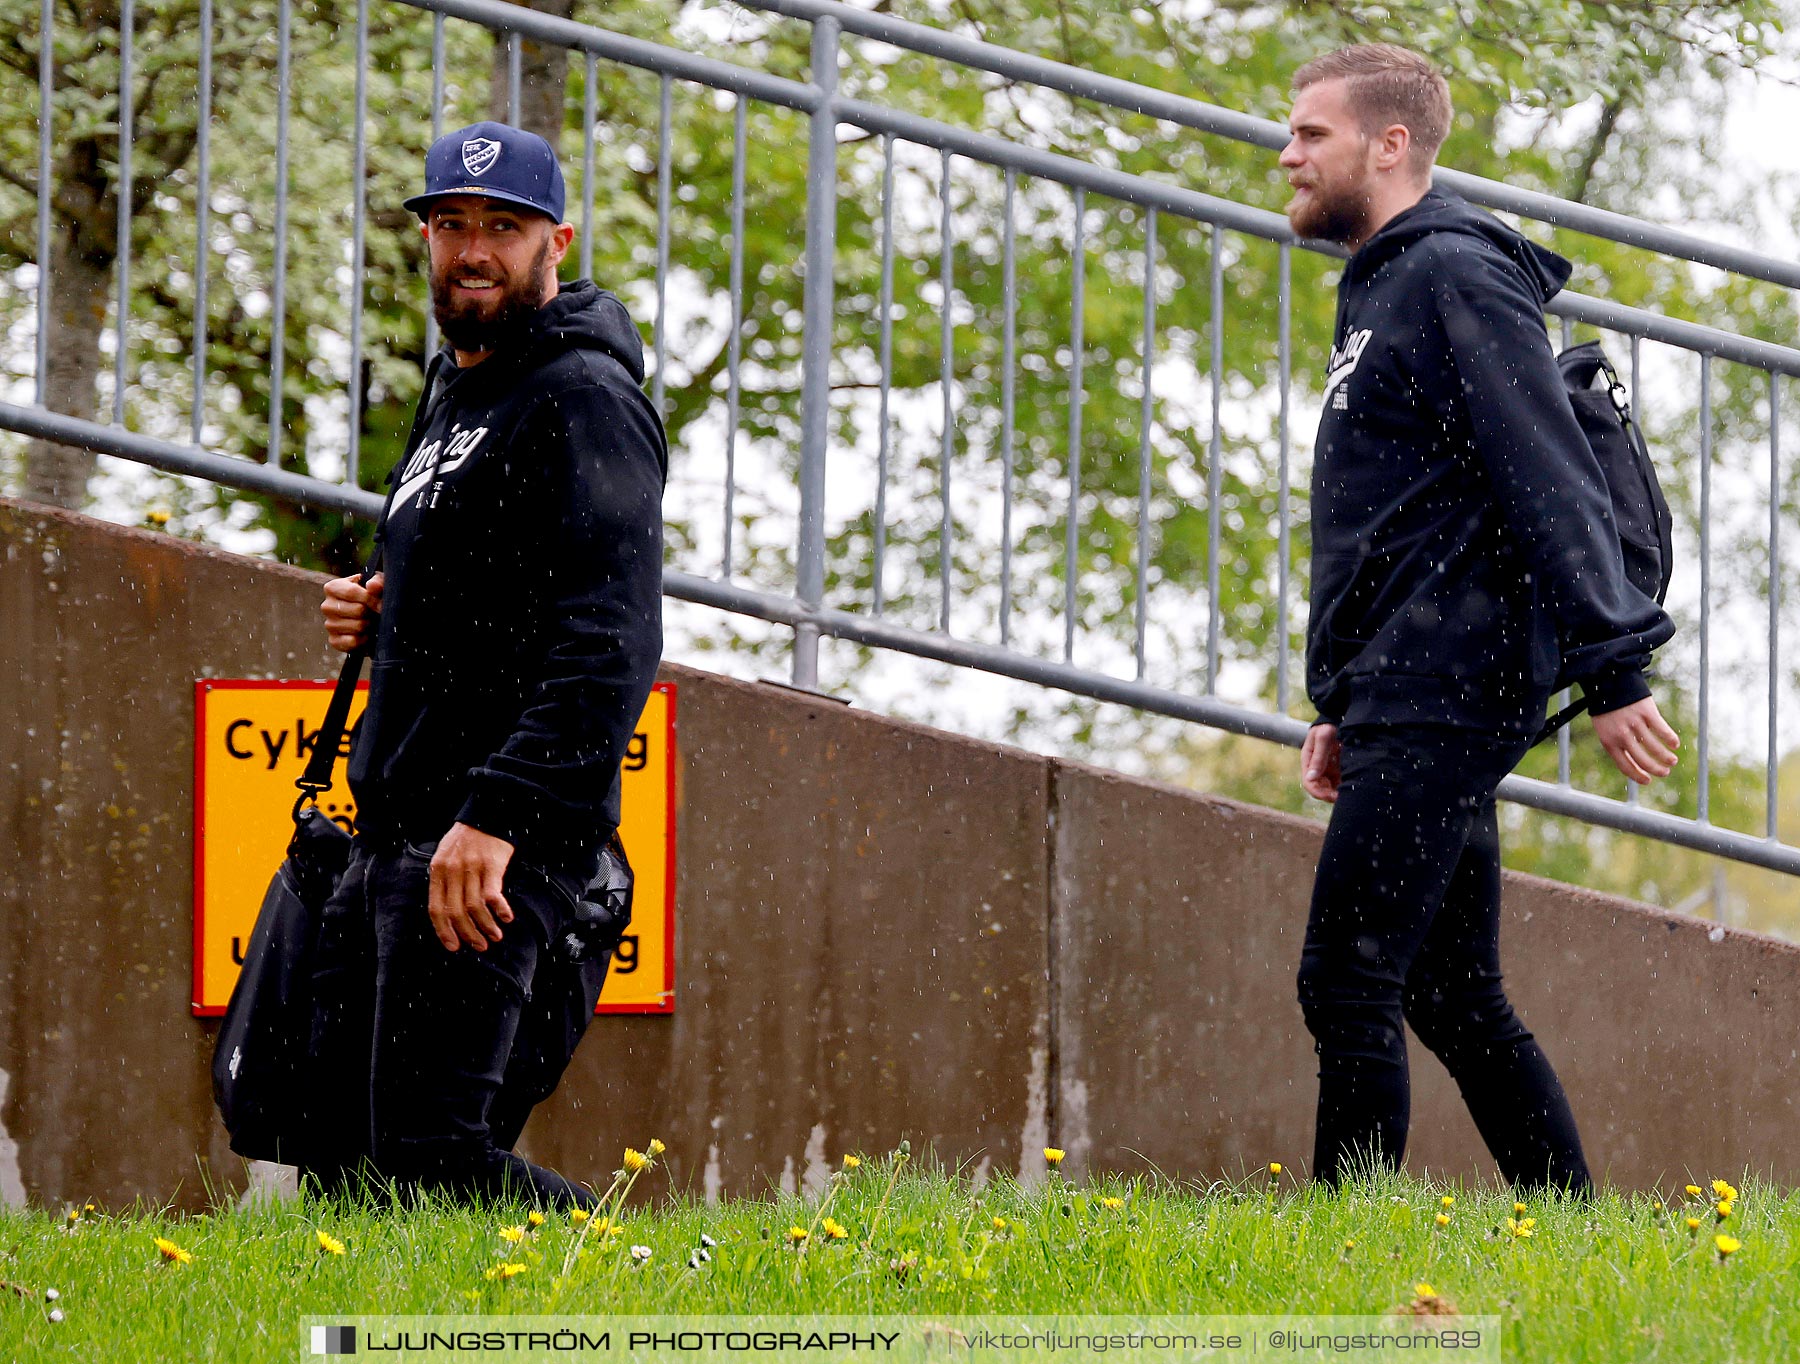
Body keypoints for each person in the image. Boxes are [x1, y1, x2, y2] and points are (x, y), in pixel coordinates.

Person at [1280, 46, 1679, 1193]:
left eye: (1312, 133)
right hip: (1406, 685)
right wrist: (1342, 703)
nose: (1288, 152)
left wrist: (1614, 667)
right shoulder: (1384, 286)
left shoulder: (1454, 272)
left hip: (1449, 678)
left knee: (1345, 977)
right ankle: (1582, 1228)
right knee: (1451, 989)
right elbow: (1395, 523)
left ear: (1388, 144)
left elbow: (1543, 468)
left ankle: (1340, 1251)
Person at [303, 121, 666, 1206]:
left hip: (496, 853)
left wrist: (498, 818)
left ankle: (639, 1292)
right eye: (451, 224)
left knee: (433, 1162)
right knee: (353, 1175)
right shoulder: (454, 392)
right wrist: (377, 609)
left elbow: (611, 637)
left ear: (556, 240)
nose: (472, 249)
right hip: (400, 834)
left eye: (501, 228)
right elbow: (486, 583)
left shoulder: (583, 396)